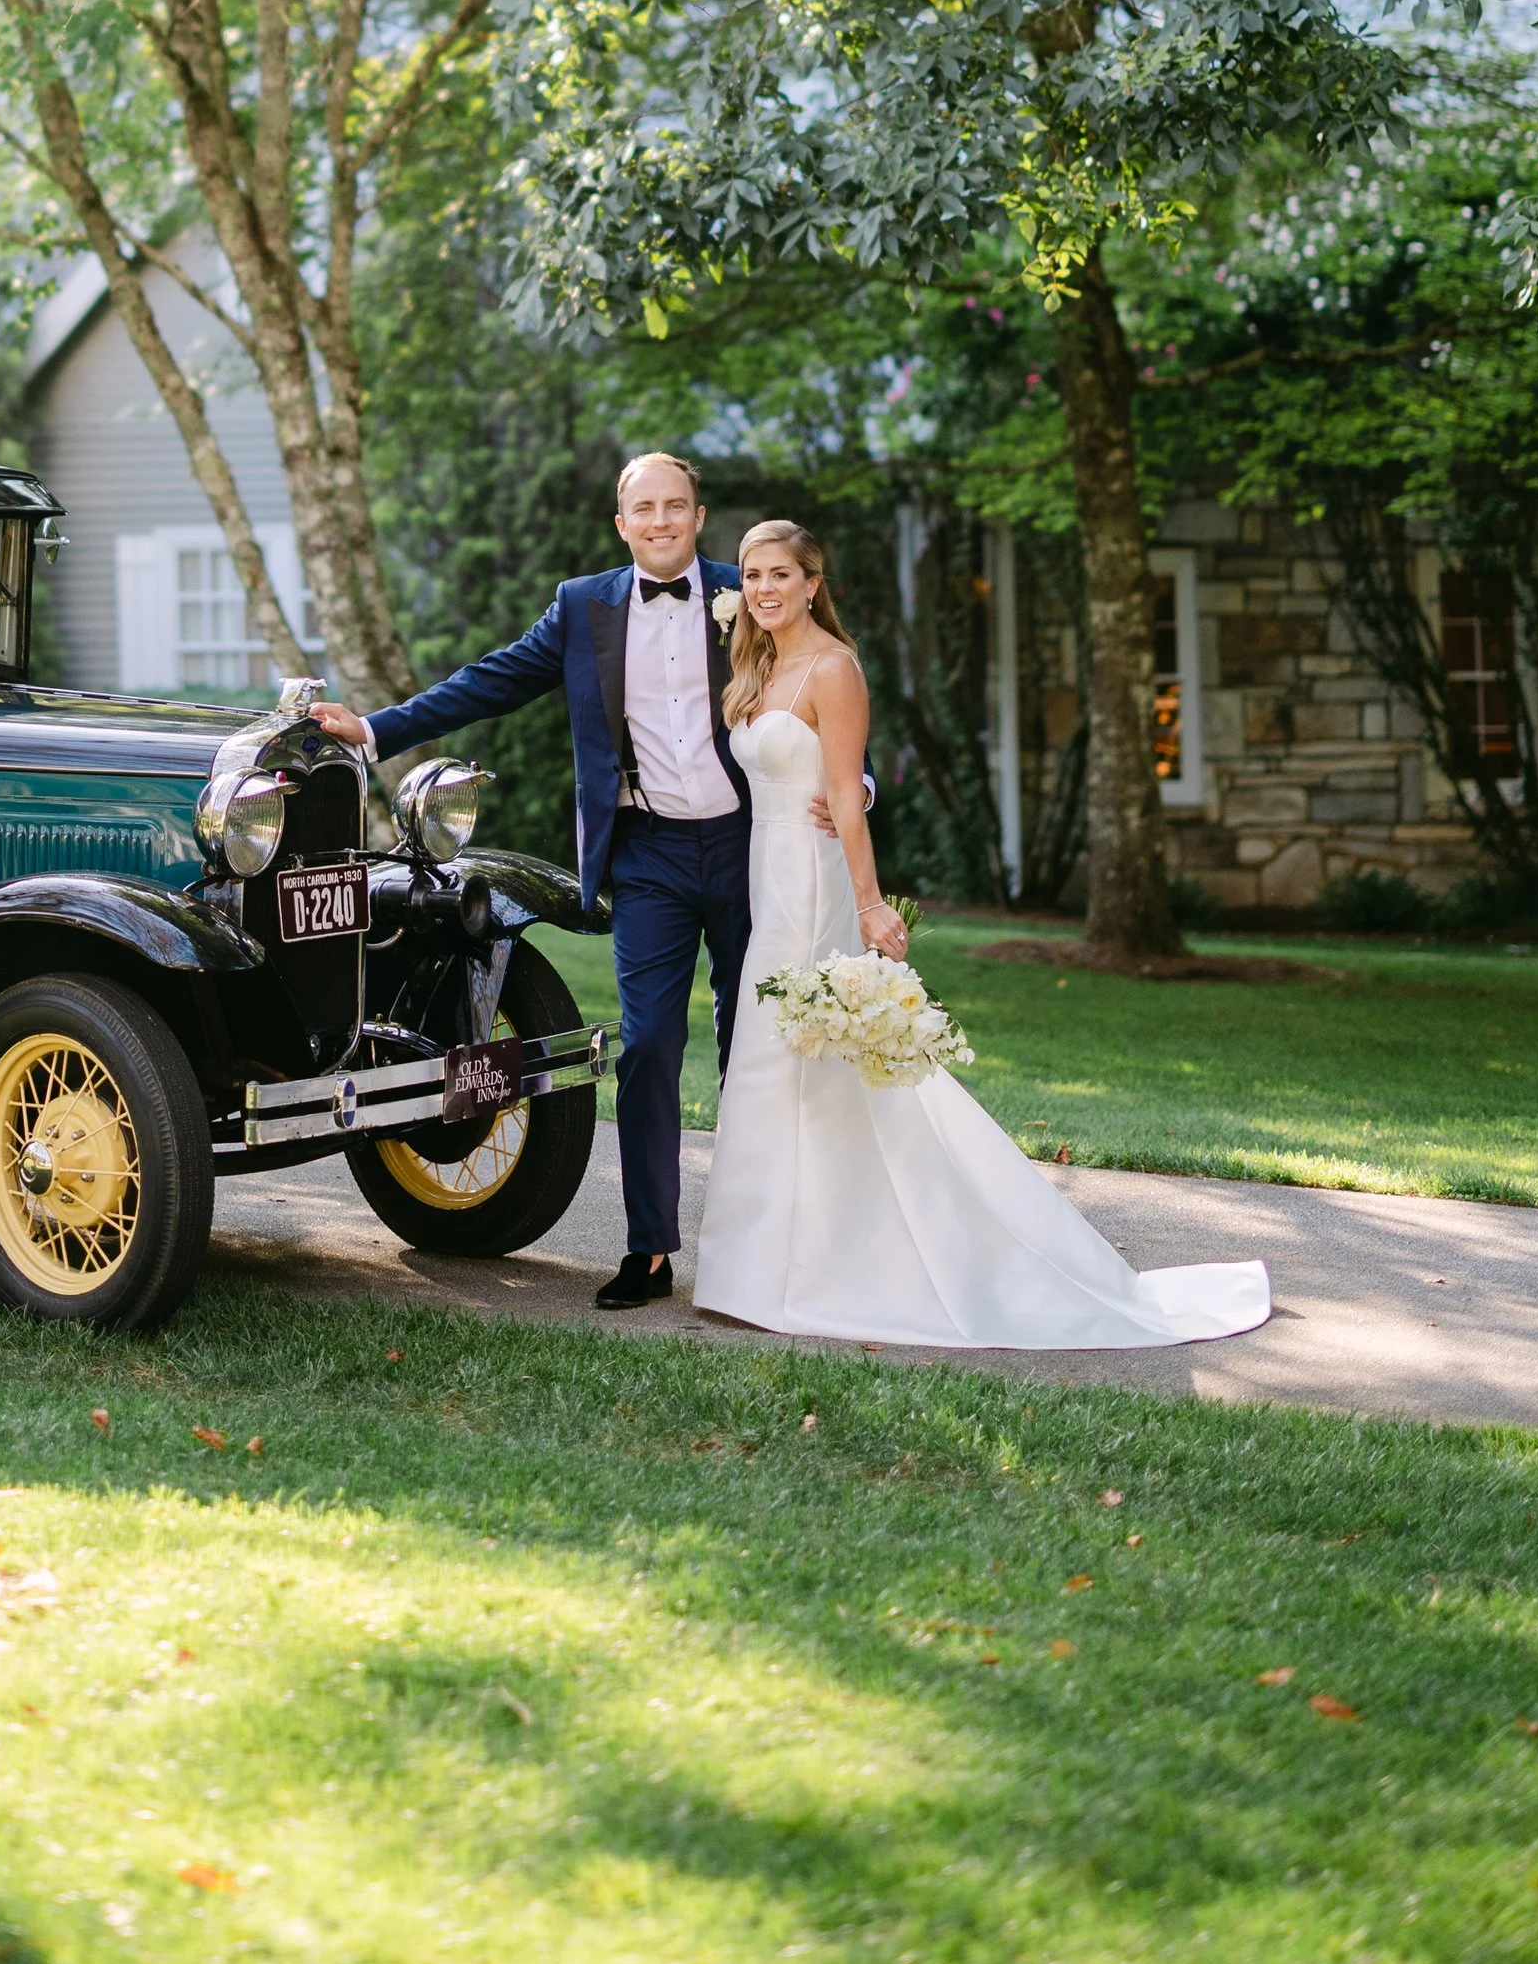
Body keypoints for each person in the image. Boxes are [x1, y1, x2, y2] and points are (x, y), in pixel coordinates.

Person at [311, 450, 881, 1310]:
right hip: (646, 853)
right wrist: (376, 729)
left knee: (758, 1040)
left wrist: (857, 787)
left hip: (751, 846)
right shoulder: (583, 608)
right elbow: (491, 680)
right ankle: (650, 1249)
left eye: (675, 507)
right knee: (648, 1044)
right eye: (643, 509)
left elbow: (824, 684)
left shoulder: (752, 592)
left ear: (697, 516)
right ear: (622, 525)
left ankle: (778, 1237)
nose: (660, 521)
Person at [692, 518, 1271, 1348]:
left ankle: (833, 1267)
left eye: (781, 574)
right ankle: (752, 1270)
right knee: (764, 1061)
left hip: (815, 886)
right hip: (766, 881)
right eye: (752, 576)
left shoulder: (834, 668)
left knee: (822, 1061)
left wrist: (867, 905)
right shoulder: (757, 666)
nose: (765, 589)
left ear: (814, 582)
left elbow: (848, 799)